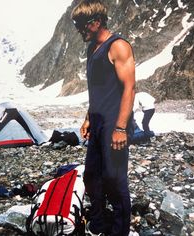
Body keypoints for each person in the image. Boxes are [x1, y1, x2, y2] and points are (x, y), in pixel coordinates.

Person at [71, 1, 135, 235]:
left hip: (114, 123)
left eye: (81, 26)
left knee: (115, 180)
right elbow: (97, 89)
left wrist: (120, 128)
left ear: (96, 23)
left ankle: (119, 231)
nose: (79, 31)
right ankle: (98, 225)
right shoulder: (92, 50)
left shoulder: (118, 46)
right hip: (98, 121)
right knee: (91, 176)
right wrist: (88, 118)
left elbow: (129, 88)